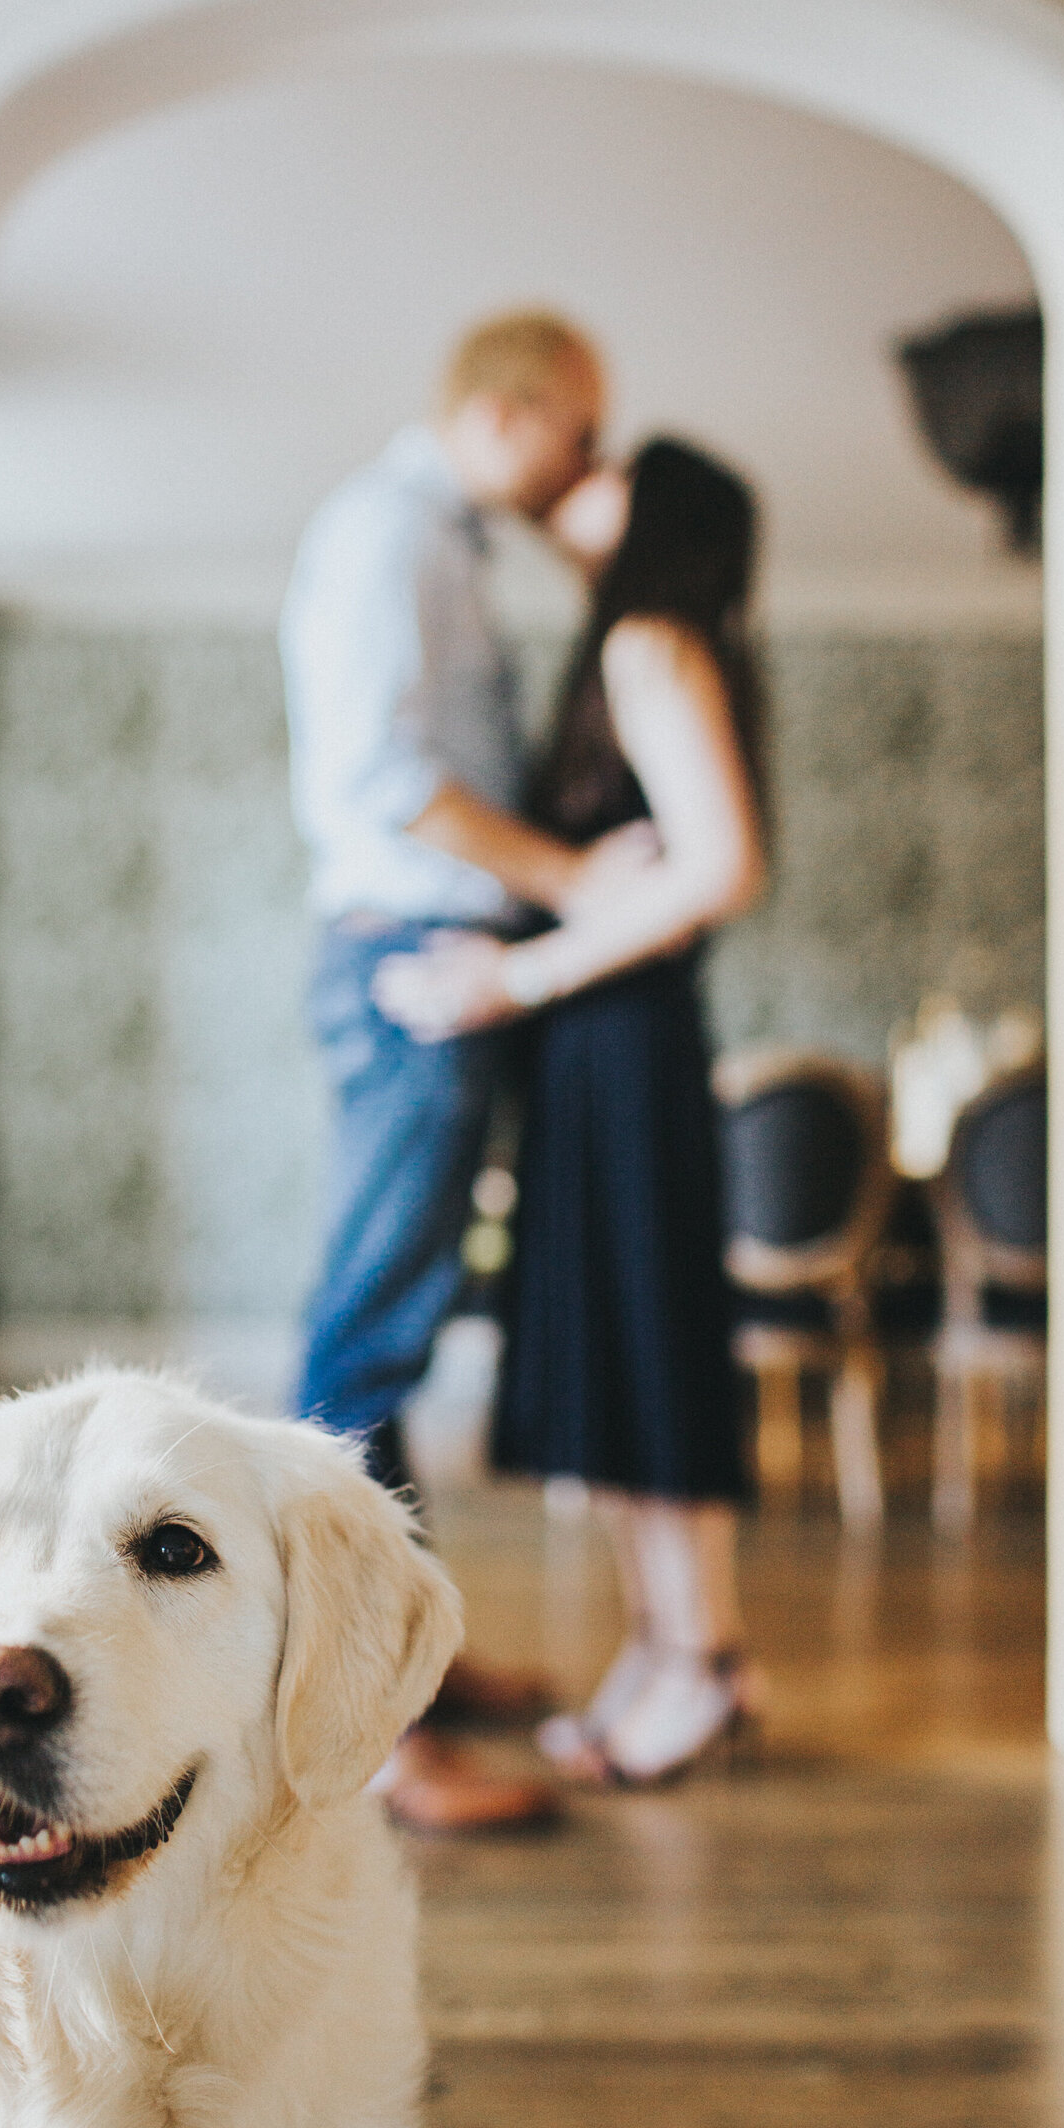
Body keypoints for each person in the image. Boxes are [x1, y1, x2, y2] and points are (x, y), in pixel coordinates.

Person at [281, 311, 649, 1830]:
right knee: (367, 1336)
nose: (587, 462)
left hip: (431, 964)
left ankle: (404, 1673)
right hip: (410, 964)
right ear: (512, 415)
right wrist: (571, 876)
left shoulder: (441, 542)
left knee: (400, 1327)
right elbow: (385, 774)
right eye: (577, 433)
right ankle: (364, 1739)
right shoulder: (387, 536)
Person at [373, 437, 767, 1783]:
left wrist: (515, 975)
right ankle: (675, 1653)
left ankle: (701, 1660)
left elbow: (723, 866)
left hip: (625, 1048)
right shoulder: (648, 642)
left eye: (605, 468)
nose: (570, 488)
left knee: (651, 1359)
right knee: (622, 1359)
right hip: (604, 1053)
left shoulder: (652, 641)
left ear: (655, 509)